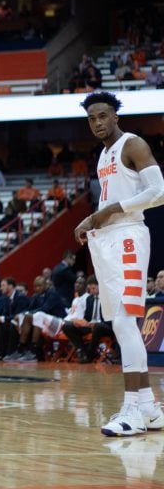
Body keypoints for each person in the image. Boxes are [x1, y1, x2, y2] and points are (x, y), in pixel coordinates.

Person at [74, 91, 164, 436]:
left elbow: (159, 191)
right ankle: (149, 409)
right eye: (91, 118)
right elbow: (106, 202)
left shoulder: (133, 144)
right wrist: (90, 220)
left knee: (126, 321)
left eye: (102, 116)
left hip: (128, 237)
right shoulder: (103, 155)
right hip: (109, 239)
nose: (97, 122)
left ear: (115, 117)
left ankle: (132, 412)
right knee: (118, 322)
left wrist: (111, 210)